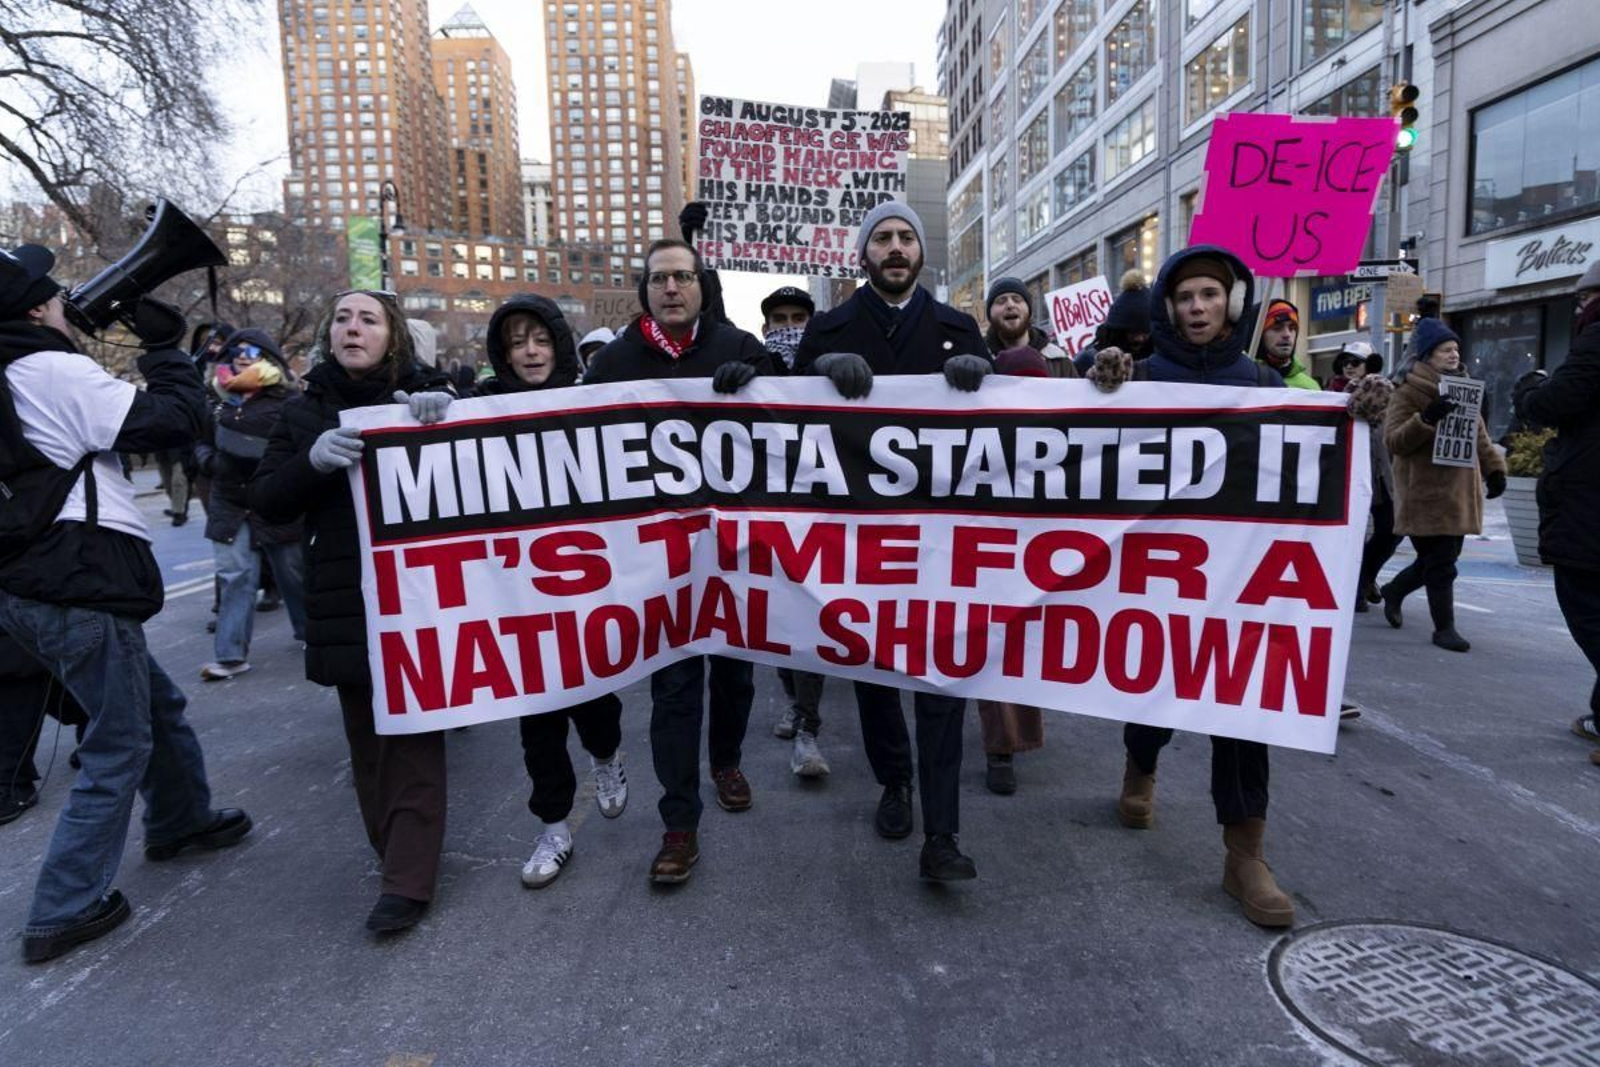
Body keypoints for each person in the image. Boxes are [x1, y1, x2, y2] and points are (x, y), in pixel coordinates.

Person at [0, 243, 252, 963]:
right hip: (78, 580)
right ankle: (63, 906)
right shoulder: (47, 367)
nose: (63, 301)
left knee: (154, 705)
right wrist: (167, 349)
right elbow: (173, 421)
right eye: (52, 293)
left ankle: (182, 817)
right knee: (118, 743)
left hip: (28, 587)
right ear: (35, 310)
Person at [1086, 245, 1298, 927]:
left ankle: (1246, 855)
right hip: (1157, 575)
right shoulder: (1138, 379)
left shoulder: (1266, 383)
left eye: (1211, 294)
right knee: (1157, 686)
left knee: (1242, 706)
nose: (1198, 306)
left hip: (1239, 581)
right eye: (1185, 297)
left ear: (1233, 303)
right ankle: (1140, 764)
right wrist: (1102, 391)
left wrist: (1358, 414)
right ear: (1167, 308)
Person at [794, 201, 989, 881]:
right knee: (875, 677)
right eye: (883, 237)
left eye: (907, 235)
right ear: (863, 255)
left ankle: (942, 832)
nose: (896, 246)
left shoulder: (961, 328)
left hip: (943, 544)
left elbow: (1009, 433)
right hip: (859, 542)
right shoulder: (828, 328)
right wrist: (819, 370)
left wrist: (980, 378)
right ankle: (894, 781)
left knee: (942, 683)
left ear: (921, 252)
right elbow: (782, 421)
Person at [250, 290, 455, 934]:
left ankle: (407, 879)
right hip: (345, 597)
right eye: (342, 318)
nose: (352, 328)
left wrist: (450, 414)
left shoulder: (429, 395)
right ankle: (394, 853)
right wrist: (312, 465)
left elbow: (495, 456)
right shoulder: (303, 412)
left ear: (392, 336)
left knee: (413, 739)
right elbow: (267, 501)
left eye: (368, 319)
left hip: (421, 593)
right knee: (368, 742)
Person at [584, 239, 775, 884]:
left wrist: (759, 383)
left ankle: (726, 760)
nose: (672, 288)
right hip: (656, 556)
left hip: (733, 551)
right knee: (673, 690)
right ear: (646, 289)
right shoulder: (614, 362)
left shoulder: (738, 346)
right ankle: (678, 824)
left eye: (683, 278)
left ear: (700, 286)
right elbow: (571, 439)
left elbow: (794, 417)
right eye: (660, 278)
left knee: (736, 674)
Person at [475, 294, 630, 888]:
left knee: (595, 699)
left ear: (558, 344)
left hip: (586, 585)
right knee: (536, 717)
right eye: (516, 342)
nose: (530, 351)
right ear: (502, 354)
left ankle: (608, 756)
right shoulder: (480, 409)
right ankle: (554, 826)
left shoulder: (593, 403)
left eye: (539, 339)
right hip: (517, 590)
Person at [976, 278, 1078, 795]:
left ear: (1028, 310)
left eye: (1016, 298)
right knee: (998, 628)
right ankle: (1002, 745)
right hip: (989, 516)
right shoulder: (970, 363)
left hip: (1052, 517)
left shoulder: (1063, 361)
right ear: (990, 313)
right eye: (1000, 300)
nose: (1009, 305)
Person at [1514, 261, 1600, 762]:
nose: (1580, 309)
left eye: (1583, 300)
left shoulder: (1596, 340)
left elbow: (1553, 403)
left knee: (1585, 602)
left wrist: (1529, 390)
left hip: (1589, 503)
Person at [1380, 317, 1507, 653]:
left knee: (1438, 561)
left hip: (1459, 492)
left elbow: (1479, 434)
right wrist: (1426, 419)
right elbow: (1393, 441)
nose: (1453, 355)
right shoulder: (1407, 391)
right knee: (1441, 565)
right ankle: (1444, 629)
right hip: (1424, 493)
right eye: (1444, 349)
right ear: (1426, 356)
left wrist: (1495, 469)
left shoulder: (1464, 386)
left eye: (1455, 349)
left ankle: (1394, 591)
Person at [194, 328, 308, 680]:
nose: (242, 357)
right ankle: (230, 656)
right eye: (236, 351)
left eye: (252, 351)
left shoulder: (288, 401)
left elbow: (297, 446)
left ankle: (311, 633)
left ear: (269, 359)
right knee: (234, 576)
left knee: (292, 573)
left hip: (275, 499)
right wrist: (211, 462)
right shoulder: (213, 398)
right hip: (229, 501)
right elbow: (197, 443)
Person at [755, 284, 830, 779]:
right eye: (779, 319)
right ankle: (792, 702)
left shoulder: (825, 367)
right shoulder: (755, 371)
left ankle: (808, 729)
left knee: (812, 627)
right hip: (767, 516)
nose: (788, 327)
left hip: (819, 516)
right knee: (781, 626)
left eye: (798, 318)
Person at [1073, 271, 1151, 376]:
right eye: (1132, 332)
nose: (1139, 339)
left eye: (1146, 332)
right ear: (1116, 331)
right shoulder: (1087, 359)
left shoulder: (1162, 361)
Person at [1254, 299, 1318, 389]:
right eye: (1277, 328)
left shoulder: (1311, 388)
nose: (1287, 335)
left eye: (1292, 328)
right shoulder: (1241, 380)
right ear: (1258, 334)